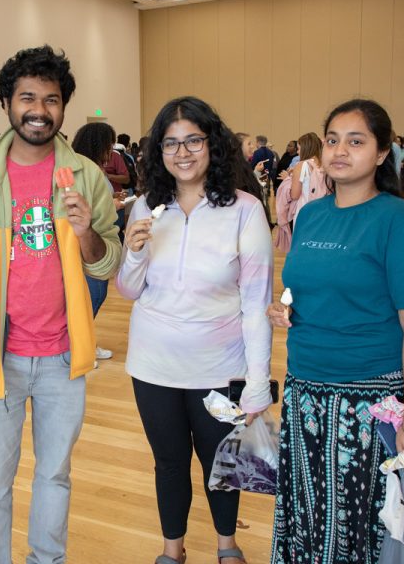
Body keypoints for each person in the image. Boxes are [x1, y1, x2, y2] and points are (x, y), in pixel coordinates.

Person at [0, 45, 121, 564]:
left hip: (64, 357)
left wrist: (86, 233)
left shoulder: (86, 175)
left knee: (54, 473)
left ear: (64, 108)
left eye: (52, 99)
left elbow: (107, 266)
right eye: (27, 98)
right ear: (6, 103)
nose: (39, 109)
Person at [267, 98, 404, 564]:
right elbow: (301, 288)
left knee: (360, 527)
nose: (340, 150)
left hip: (367, 402)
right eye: (333, 139)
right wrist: (281, 311)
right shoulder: (312, 215)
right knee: (309, 517)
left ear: (382, 154)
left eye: (356, 141)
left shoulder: (400, 221)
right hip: (305, 392)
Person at [118, 96, 273, 564]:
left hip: (219, 366)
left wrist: (259, 383)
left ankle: (227, 546)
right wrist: (135, 251)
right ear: (158, 151)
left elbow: (256, 301)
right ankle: (173, 550)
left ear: (212, 144)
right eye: (171, 143)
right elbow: (128, 289)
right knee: (168, 463)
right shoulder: (147, 204)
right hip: (153, 363)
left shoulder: (244, 209)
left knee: (220, 465)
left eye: (193, 141)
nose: (182, 152)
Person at [72, 121, 122, 362]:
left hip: (99, 241)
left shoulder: (91, 171)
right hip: (88, 246)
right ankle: (79, 349)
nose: (111, 151)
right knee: (90, 299)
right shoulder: (86, 172)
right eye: (109, 145)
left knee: (94, 298)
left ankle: (86, 344)